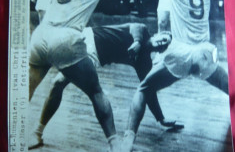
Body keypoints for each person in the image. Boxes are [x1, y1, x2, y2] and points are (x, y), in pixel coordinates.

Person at [29, 0, 163, 152]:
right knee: (96, 92)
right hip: (65, 40)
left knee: (26, 92)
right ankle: (115, 144)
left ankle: (33, 134)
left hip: (40, 35)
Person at [122, 0, 228, 151]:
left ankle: (128, 138)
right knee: (231, 90)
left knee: (144, 89)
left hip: (179, 54)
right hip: (204, 53)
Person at [29, 23, 179, 149]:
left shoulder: (144, 63)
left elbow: (148, 92)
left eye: (164, 46)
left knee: (58, 83)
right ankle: (37, 132)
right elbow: (136, 27)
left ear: (161, 52)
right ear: (160, 33)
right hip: (87, 36)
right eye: (165, 39)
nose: (163, 43)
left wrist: (161, 118)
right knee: (57, 81)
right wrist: (138, 42)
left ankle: (37, 132)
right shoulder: (143, 31)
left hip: (92, 54)